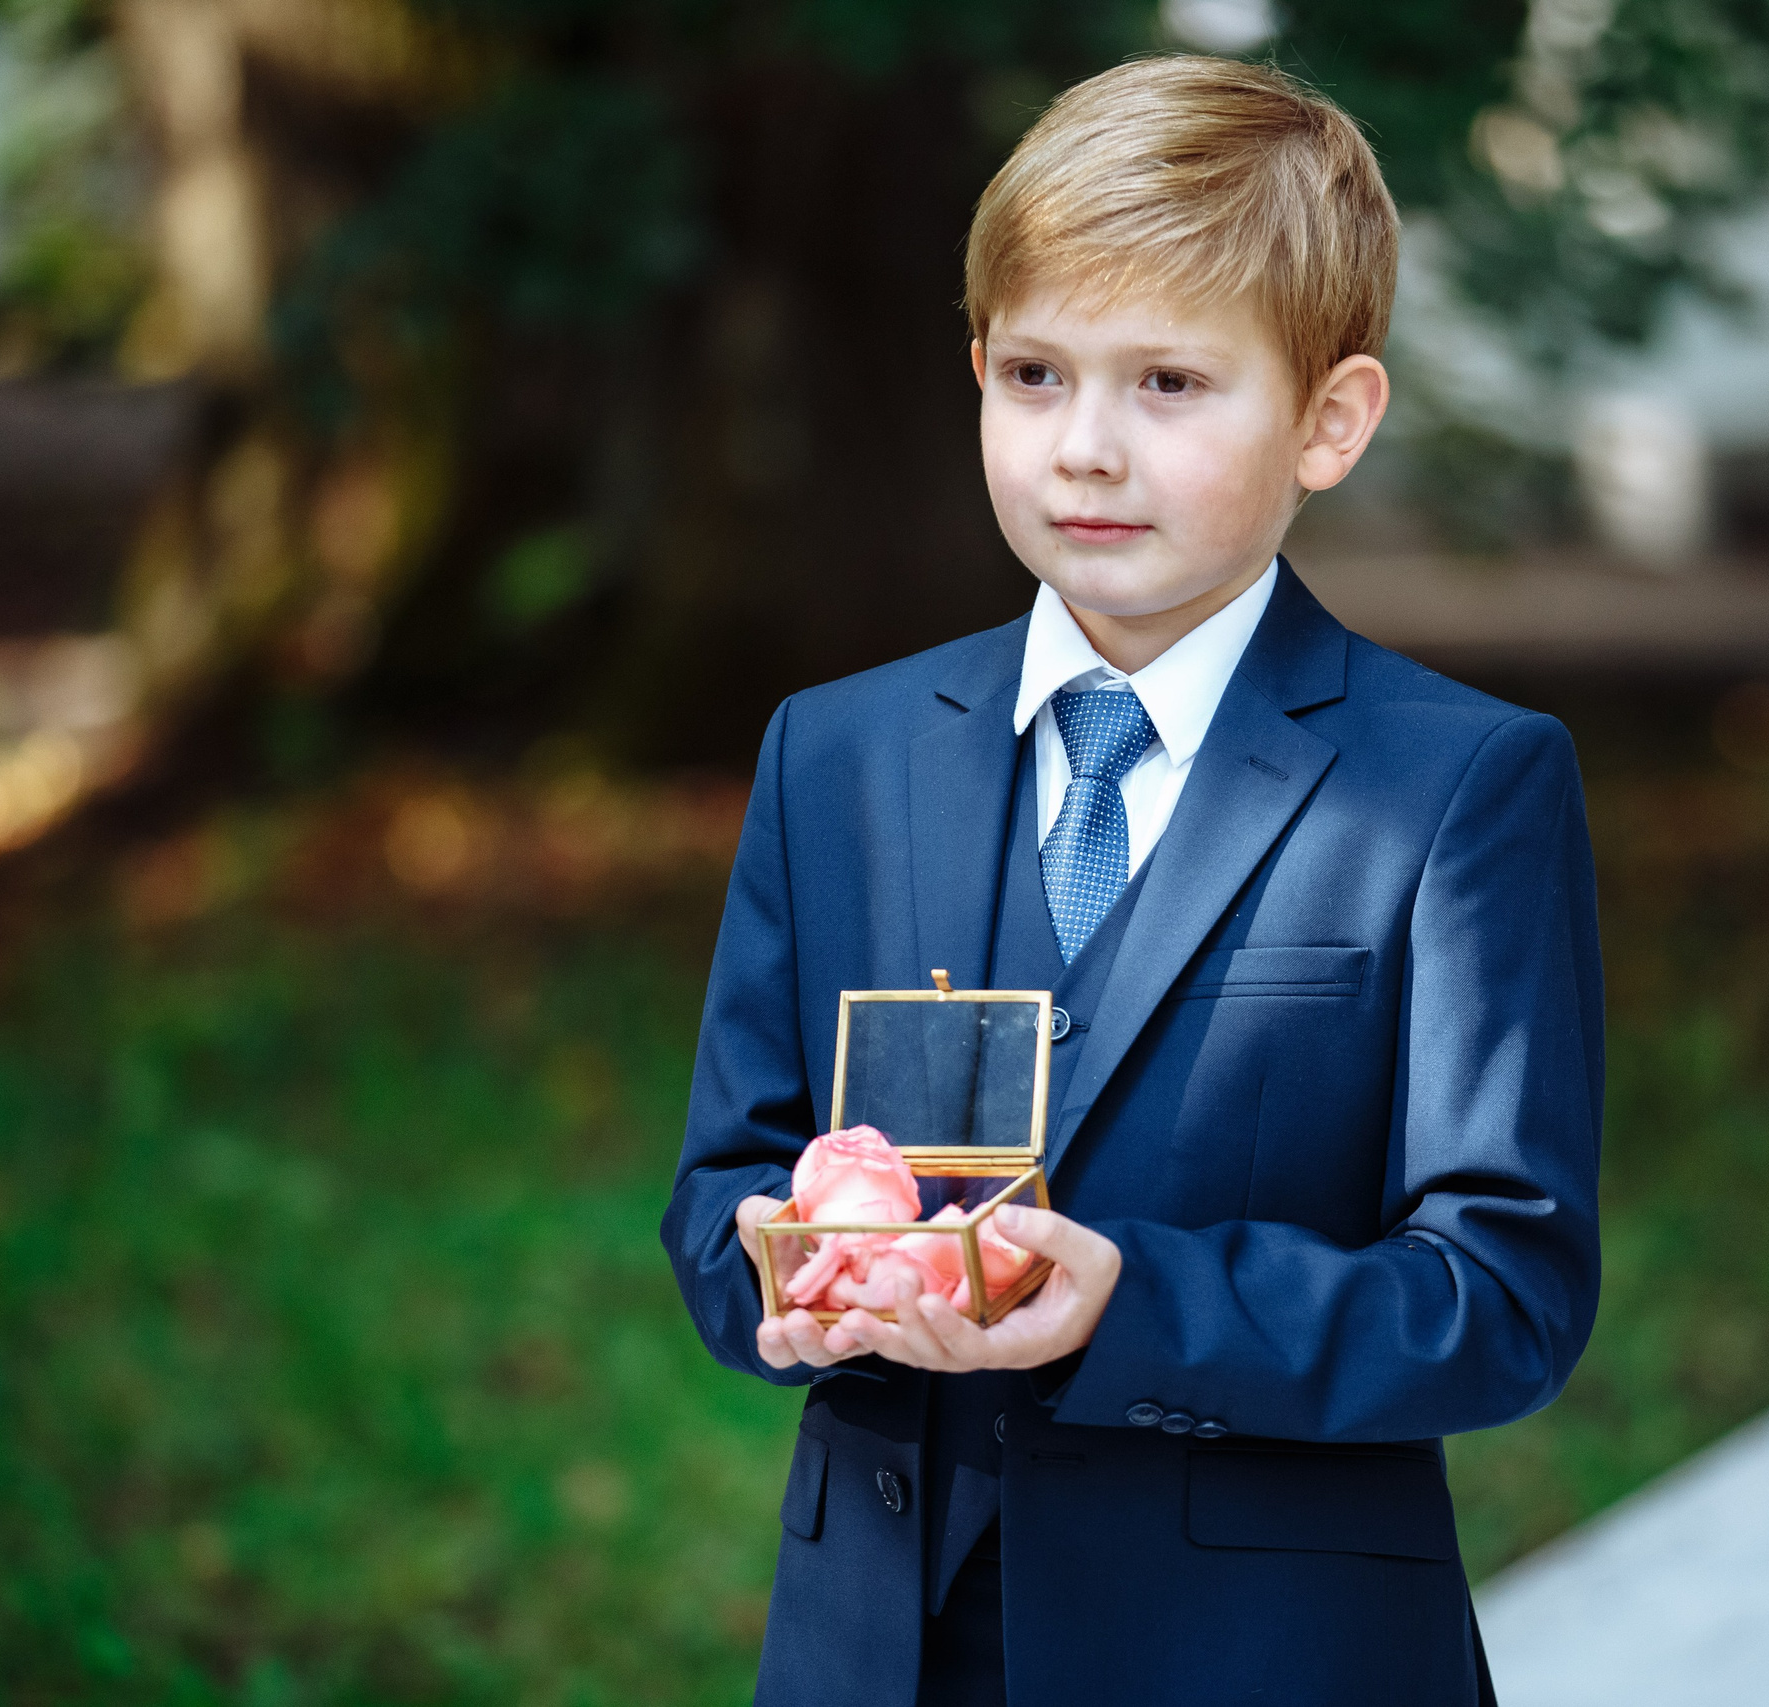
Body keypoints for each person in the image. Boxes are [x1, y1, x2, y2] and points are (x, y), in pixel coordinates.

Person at [661, 55, 1603, 1707]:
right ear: (976, 373)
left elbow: (1501, 1295)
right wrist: (778, 1274)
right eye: (1036, 375)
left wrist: (1135, 1302)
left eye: (1169, 384)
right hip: (881, 1652)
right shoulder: (838, 756)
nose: (1085, 450)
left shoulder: (1455, 786)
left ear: (1330, 421)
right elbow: (723, 1179)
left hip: (1263, 1662)